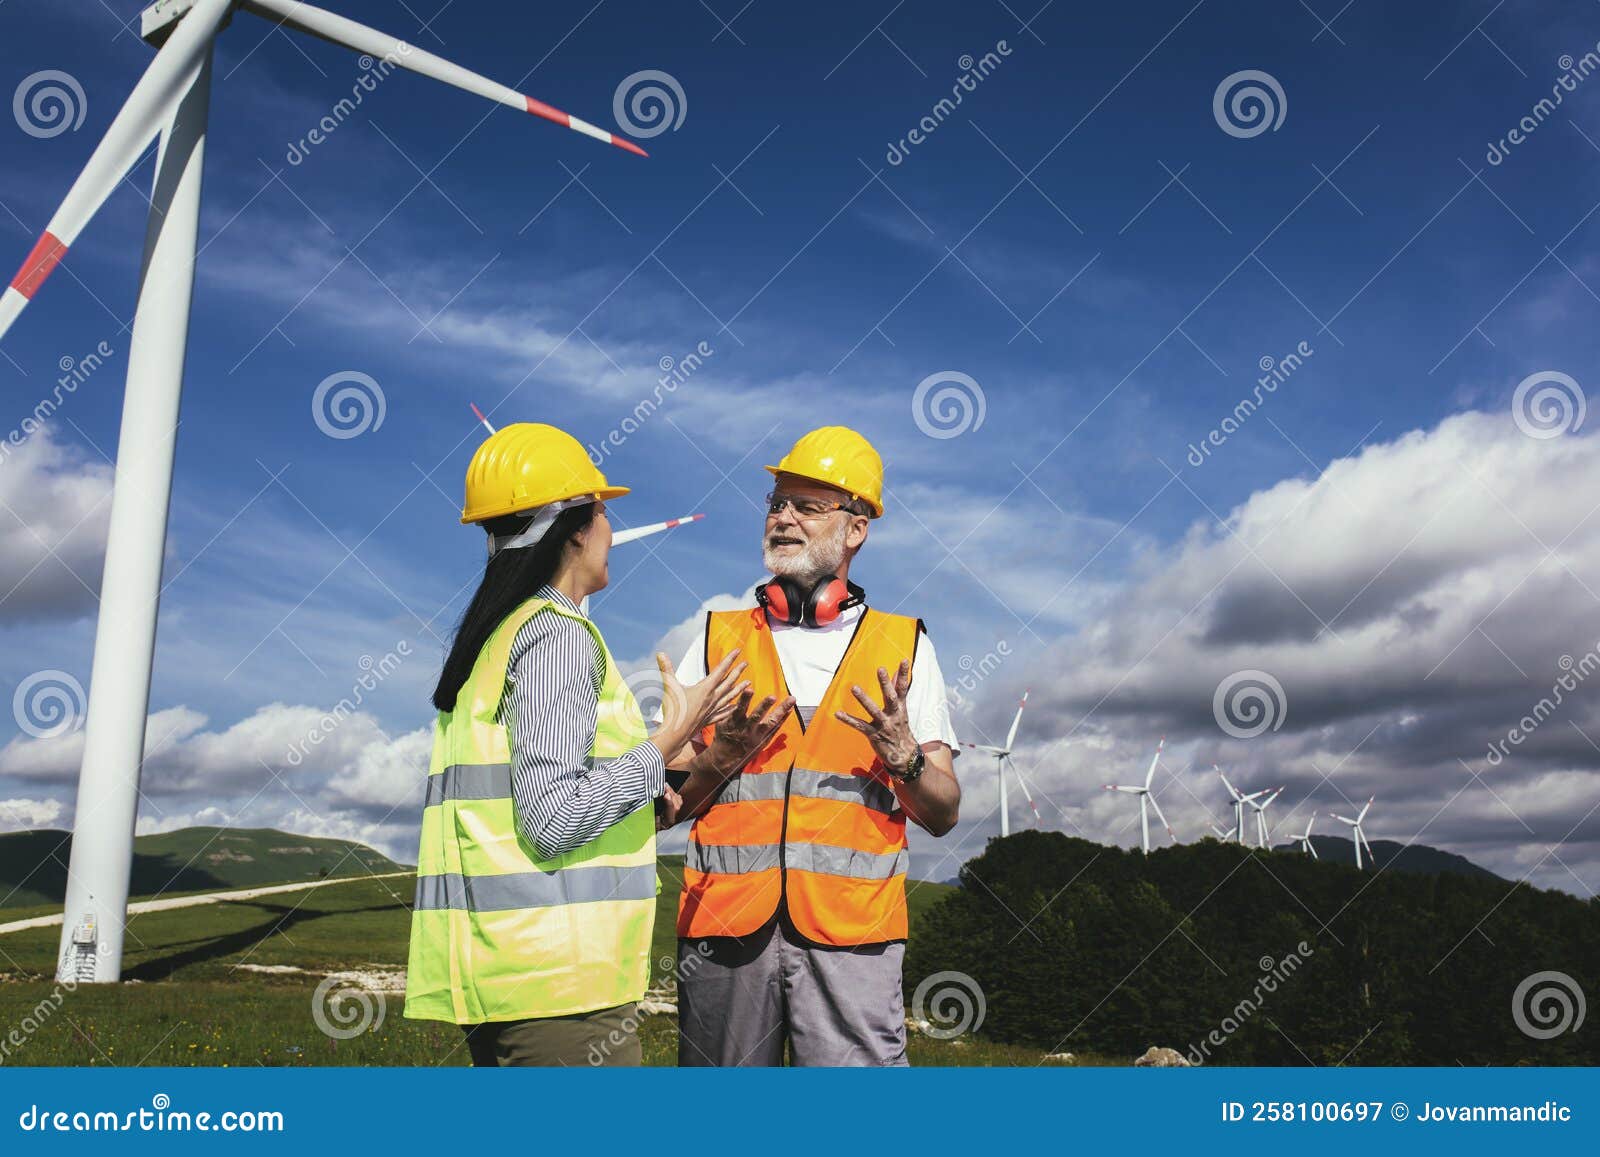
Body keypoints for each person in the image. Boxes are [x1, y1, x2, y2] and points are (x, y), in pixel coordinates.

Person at [403, 421, 746, 1067]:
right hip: (559, 985)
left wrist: (654, 789)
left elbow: (534, 801)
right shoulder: (557, 636)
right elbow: (554, 820)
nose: (612, 530)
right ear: (575, 528)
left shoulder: (501, 637)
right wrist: (669, 736)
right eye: (604, 512)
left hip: (508, 972)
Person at [661, 426, 962, 1066]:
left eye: (808, 505)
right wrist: (719, 757)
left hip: (853, 939)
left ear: (856, 529)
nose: (783, 517)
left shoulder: (905, 646)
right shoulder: (716, 639)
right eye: (777, 503)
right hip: (723, 932)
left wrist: (905, 758)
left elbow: (943, 813)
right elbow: (665, 806)